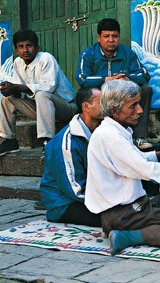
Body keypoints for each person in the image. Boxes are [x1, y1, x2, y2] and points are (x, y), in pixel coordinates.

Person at [85, 79, 160, 256]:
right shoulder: (112, 138)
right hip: (124, 215)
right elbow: (142, 168)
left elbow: (134, 159)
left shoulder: (112, 131)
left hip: (120, 212)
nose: (140, 110)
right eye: (133, 106)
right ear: (114, 110)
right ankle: (128, 237)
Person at [0, 29, 77, 156]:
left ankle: (47, 141)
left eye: (29, 46)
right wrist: (11, 90)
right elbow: (20, 92)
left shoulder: (46, 58)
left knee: (42, 94)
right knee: (7, 98)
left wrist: (17, 87)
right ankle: (9, 140)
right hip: (41, 110)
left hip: (66, 108)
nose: (25, 50)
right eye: (21, 47)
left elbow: (47, 87)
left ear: (37, 48)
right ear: (16, 50)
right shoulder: (17, 62)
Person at [75, 18, 152, 149]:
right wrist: (106, 80)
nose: (111, 40)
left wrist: (126, 79)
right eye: (106, 36)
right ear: (99, 37)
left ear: (119, 37)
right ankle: (90, 136)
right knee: (84, 94)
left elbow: (144, 74)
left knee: (145, 89)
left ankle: (139, 138)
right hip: (102, 96)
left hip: (122, 96)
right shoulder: (88, 54)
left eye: (114, 36)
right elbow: (82, 78)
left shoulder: (128, 53)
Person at [39, 87, 103, 227]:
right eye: (101, 102)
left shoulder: (99, 131)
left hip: (90, 197)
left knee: (128, 211)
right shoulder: (66, 142)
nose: (107, 107)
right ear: (86, 107)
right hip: (65, 204)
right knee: (116, 217)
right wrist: (109, 201)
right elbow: (76, 190)